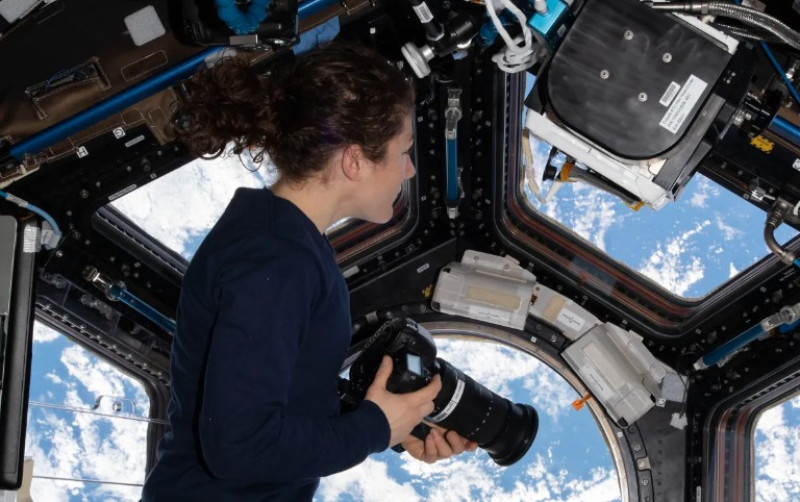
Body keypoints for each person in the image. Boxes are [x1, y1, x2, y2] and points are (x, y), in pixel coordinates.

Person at [141, 44, 477, 502]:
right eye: (403, 151)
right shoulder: (275, 259)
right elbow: (239, 446)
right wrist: (372, 429)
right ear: (355, 160)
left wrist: (393, 424)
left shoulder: (283, 244)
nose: (411, 168)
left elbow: (286, 392)